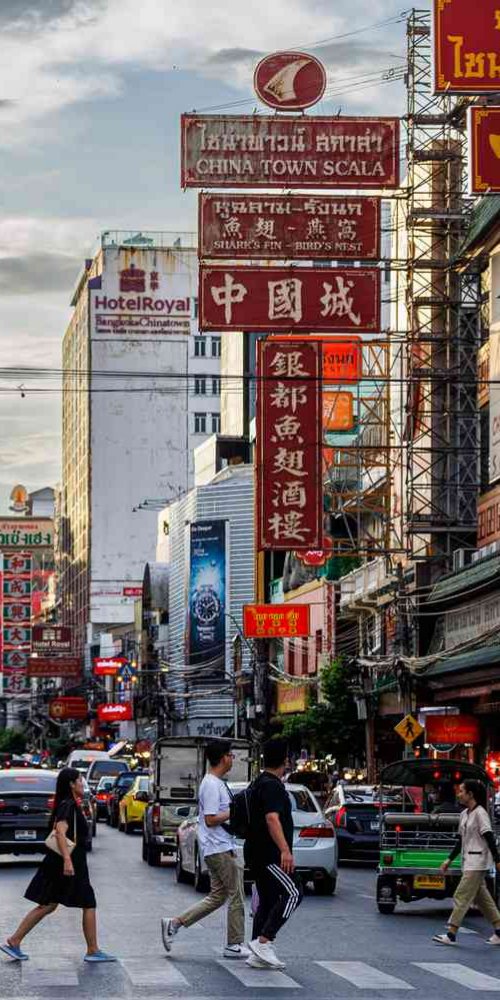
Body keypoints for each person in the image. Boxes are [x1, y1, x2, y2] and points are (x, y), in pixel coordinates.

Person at [0, 767, 115, 963]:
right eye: (79, 780)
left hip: (62, 861)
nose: (82, 784)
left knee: (48, 904)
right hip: (67, 862)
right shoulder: (68, 805)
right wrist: (68, 861)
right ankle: (93, 950)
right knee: (87, 902)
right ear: (71, 784)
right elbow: (60, 832)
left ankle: (14, 940)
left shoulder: (68, 803)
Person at [161, 740, 247, 959]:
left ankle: (174, 923)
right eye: (230, 755)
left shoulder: (217, 782)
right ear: (223, 757)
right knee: (236, 894)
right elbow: (210, 819)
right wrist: (234, 812)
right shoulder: (211, 784)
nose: (232, 759)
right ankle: (234, 944)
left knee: (218, 896)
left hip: (219, 845)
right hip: (218, 848)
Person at [244, 738, 303, 971]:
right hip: (269, 854)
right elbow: (272, 818)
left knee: (268, 900)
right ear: (285, 761)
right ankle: (264, 941)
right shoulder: (273, 785)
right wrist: (285, 851)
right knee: (294, 891)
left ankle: (257, 953)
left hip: (256, 852)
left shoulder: (258, 782)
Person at [433, 778, 500, 945]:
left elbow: (489, 837)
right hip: (467, 861)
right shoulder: (464, 814)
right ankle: (499, 930)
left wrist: (498, 860)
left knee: (461, 895)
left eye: (462, 791)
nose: (459, 794)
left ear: (470, 794)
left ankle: (451, 933)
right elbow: (461, 841)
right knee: (483, 899)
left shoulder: (480, 813)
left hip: (478, 862)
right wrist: (449, 859)